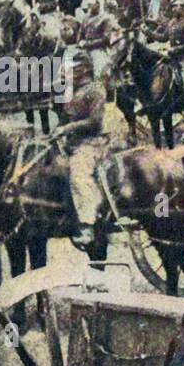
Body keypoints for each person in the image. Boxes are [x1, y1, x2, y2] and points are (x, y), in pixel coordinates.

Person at [55, 57, 108, 251]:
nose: (68, 74)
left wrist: (67, 128)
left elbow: (95, 122)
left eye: (72, 70)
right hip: (72, 142)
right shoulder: (72, 91)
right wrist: (58, 131)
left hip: (92, 143)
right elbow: (64, 118)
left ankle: (88, 225)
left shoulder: (96, 90)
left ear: (84, 70)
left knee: (78, 175)